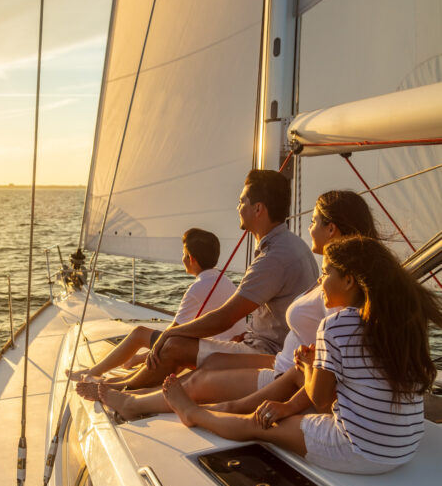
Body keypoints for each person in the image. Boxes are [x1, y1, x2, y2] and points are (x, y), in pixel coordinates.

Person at [162, 236, 442, 474]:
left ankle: (192, 412)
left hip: (361, 450)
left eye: (326, 273)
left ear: (348, 281)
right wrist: (306, 377)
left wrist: (309, 366)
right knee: (279, 407)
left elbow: (321, 400)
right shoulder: (399, 323)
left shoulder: (336, 324)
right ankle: (224, 408)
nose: (320, 281)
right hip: (404, 446)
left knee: (258, 426)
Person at [98, 190, 377, 420]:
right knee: (213, 363)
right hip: (281, 360)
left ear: (331, 229)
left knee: (197, 379)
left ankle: (132, 402)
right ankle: (134, 393)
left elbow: (335, 355)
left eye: (314, 221)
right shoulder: (332, 272)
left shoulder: (339, 285)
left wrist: (291, 399)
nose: (309, 226)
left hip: (287, 372)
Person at [77, 169, 317, 399]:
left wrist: (171, 333)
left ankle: (122, 388)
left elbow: (225, 317)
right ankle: (124, 386)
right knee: (192, 352)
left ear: (258, 209)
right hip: (274, 347)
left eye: (241, 201)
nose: (237, 207)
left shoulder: (273, 257)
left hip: (271, 355)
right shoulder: (294, 245)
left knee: (173, 346)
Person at [68, 228, 246, 383]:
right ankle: (133, 362)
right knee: (166, 341)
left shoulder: (197, 289)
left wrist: (147, 352)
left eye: (184, 254)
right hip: (225, 351)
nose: (182, 258)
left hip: (211, 355)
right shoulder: (226, 282)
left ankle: (93, 372)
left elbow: (170, 335)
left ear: (191, 259)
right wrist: (141, 357)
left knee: (139, 334)